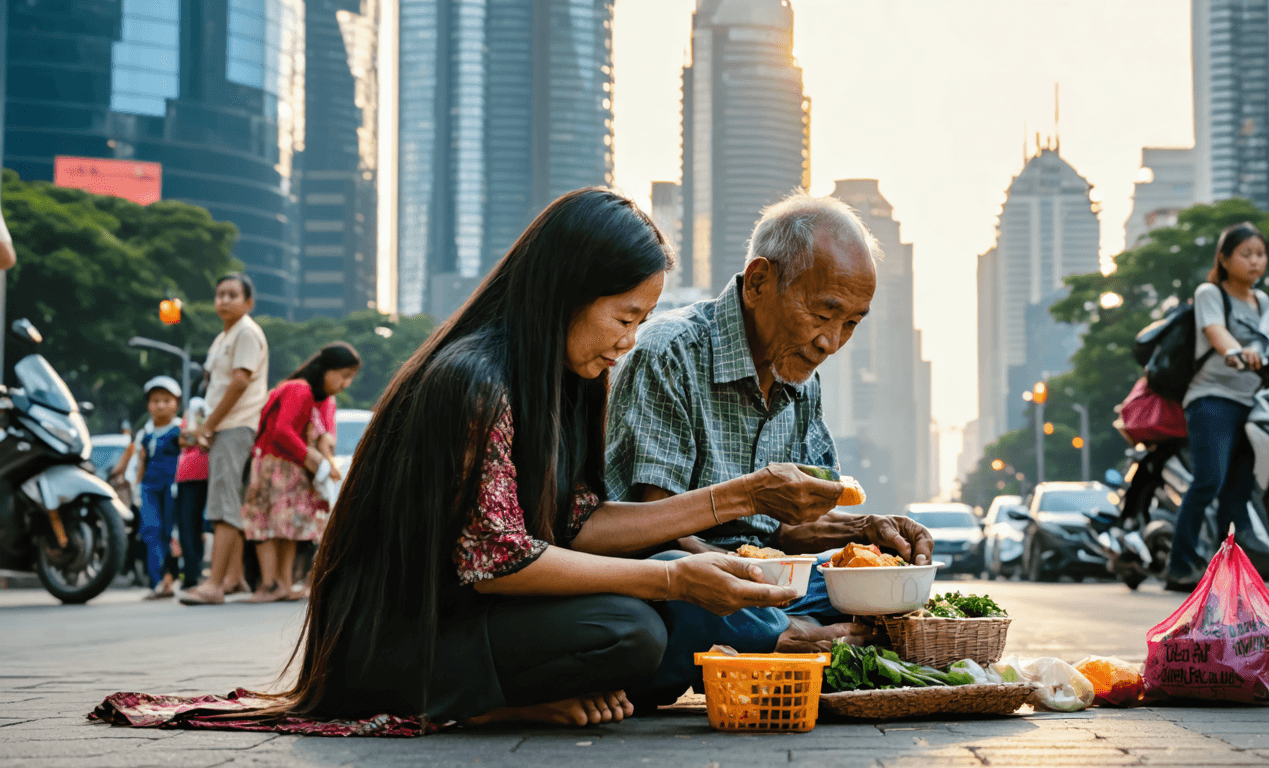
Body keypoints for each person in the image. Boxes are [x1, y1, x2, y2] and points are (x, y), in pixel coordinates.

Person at [266, 188, 842, 728]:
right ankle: (490, 707)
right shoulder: (474, 380)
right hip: (401, 643)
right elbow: (496, 562)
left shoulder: (567, 381)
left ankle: (518, 691)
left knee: (668, 604)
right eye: (624, 318)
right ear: (565, 293)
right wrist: (671, 579)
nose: (629, 341)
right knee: (633, 629)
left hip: (480, 618)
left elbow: (579, 525)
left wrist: (740, 498)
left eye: (640, 323)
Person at [605, 193, 934, 697]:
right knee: (678, 578)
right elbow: (653, 528)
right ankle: (788, 638)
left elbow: (790, 526)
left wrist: (868, 532)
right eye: (823, 313)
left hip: (761, 584)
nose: (830, 342)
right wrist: (748, 580)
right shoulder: (669, 353)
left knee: (877, 589)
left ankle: (783, 638)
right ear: (759, 282)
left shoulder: (802, 379)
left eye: (850, 323)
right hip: (682, 573)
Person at [1165, 222, 1269, 591]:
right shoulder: (1210, 292)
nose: (1255, 261)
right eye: (1246, 254)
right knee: (1209, 480)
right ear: (1224, 259)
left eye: (1260, 254)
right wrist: (1236, 351)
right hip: (1212, 399)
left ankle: (1228, 574)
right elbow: (1215, 330)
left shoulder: (1264, 302)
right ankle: (1179, 565)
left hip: (1253, 403)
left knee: (1239, 490)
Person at [241, 343, 361, 602]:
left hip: (294, 467)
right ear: (327, 369)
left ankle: (282, 585)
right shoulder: (299, 389)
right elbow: (282, 431)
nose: (346, 383)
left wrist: (321, 458)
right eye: (343, 375)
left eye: (350, 377)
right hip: (275, 464)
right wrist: (312, 458)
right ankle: (271, 584)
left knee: (286, 526)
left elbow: (326, 436)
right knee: (267, 524)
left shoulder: (324, 399)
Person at [180, 274, 270, 605]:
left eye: (233, 295)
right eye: (220, 294)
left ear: (249, 302)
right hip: (227, 426)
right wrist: (205, 427)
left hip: (235, 425)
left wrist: (209, 426)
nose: (224, 300)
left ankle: (214, 584)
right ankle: (234, 579)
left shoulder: (246, 332)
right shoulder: (223, 337)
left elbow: (240, 382)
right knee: (230, 499)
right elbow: (213, 387)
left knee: (223, 503)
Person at [135, 376, 183, 599]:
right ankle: (157, 581)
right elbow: (141, 462)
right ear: (148, 405)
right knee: (151, 530)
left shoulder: (181, 430)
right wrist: (137, 488)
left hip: (173, 487)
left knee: (170, 533)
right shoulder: (145, 433)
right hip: (149, 488)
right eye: (155, 401)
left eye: (166, 400)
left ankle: (172, 579)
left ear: (176, 404)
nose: (161, 405)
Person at [174, 397, 211, 590]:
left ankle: (194, 573)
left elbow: (204, 441)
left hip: (205, 474)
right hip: (186, 476)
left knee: (196, 527)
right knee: (188, 527)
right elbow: (182, 440)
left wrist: (195, 436)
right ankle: (191, 574)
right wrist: (198, 437)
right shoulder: (189, 418)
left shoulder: (209, 416)